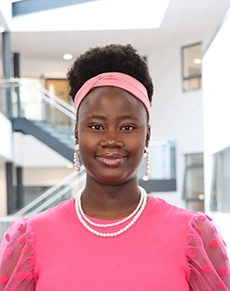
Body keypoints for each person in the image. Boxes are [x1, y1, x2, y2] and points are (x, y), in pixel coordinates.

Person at [0, 44, 229, 291]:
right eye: (97, 127)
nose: (112, 140)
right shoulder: (30, 238)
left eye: (127, 127)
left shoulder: (193, 235)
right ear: (77, 134)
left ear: (147, 136)